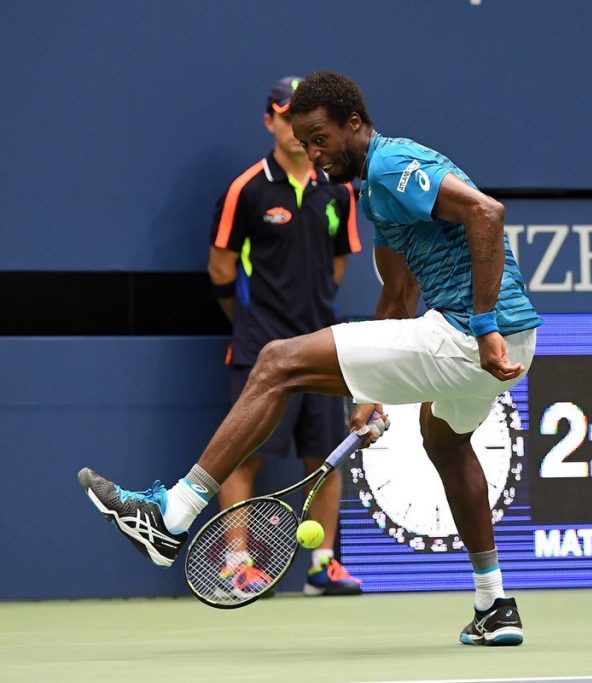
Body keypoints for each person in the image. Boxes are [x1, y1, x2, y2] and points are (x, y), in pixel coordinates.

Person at [78, 70, 542, 646]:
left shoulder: (395, 164)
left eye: (321, 138)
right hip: (502, 342)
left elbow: (486, 213)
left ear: (354, 124)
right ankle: (494, 604)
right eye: (305, 143)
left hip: (473, 335)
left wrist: (483, 326)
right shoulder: (375, 194)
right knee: (444, 440)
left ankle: (172, 515)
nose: (315, 154)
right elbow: (397, 299)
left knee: (276, 362)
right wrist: (371, 393)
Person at [204, 76, 363, 597]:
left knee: (325, 455)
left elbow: (337, 266)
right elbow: (221, 269)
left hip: (321, 342)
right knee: (244, 454)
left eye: (306, 118)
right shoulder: (246, 189)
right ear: (270, 120)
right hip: (259, 343)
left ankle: (322, 566)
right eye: (286, 116)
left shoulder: (339, 187)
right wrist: (251, 320)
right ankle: (235, 564)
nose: (296, 130)